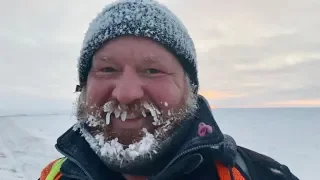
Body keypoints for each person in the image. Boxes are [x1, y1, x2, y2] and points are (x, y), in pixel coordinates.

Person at [39, 0, 299, 180]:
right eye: (107, 70)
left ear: (190, 89)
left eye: (153, 71)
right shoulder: (55, 175)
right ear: (83, 86)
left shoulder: (258, 175)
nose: (126, 93)